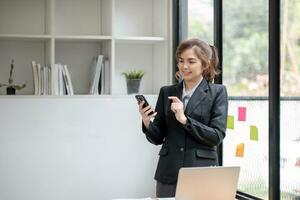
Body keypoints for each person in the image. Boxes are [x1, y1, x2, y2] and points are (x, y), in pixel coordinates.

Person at [138, 38, 228, 198]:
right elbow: (157, 138)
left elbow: (216, 136)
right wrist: (147, 122)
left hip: (200, 171)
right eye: (181, 61)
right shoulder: (166, 92)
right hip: (168, 171)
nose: (184, 66)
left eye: (191, 61)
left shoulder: (217, 92)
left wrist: (185, 119)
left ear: (205, 64)